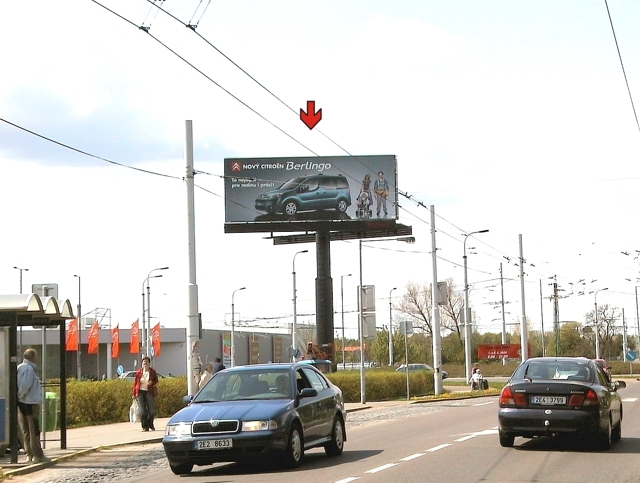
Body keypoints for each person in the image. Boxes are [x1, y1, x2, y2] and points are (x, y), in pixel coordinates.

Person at [17, 348, 49, 464]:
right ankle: (37, 455)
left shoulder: (20, 367)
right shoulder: (29, 369)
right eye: (36, 356)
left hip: (22, 402)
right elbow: (25, 385)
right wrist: (21, 395)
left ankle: (29, 454)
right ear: (33, 357)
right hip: (30, 402)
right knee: (34, 429)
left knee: (25, 429)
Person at [132, 356, 159, 432]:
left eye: (146, 362)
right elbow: (135, 384)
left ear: (149, 364)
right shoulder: (139, 372)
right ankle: (145, 427)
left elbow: (156, 380)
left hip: (149, 391)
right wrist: (134, 394)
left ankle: (150, 424)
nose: (145, 364)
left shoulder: (152, 372)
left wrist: (152, 382)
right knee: (143, 411)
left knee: (151, 411)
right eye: (143, 362)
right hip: (140, 392)